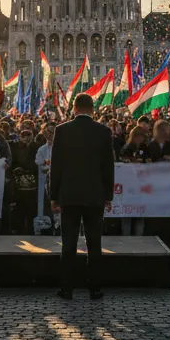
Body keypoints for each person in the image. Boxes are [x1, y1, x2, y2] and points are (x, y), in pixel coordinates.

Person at [49, 93, 115, 300]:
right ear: (93, 109)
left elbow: (56, 166)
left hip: (69, 195)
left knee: (68, 244)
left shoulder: (62, 131)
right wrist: (108, 195)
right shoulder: (103, 132)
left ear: (75, 108)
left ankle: (66, 288)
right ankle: (94, 288)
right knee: (94, 244)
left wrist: (54, 196)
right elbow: (108, 167)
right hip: (94, 195)